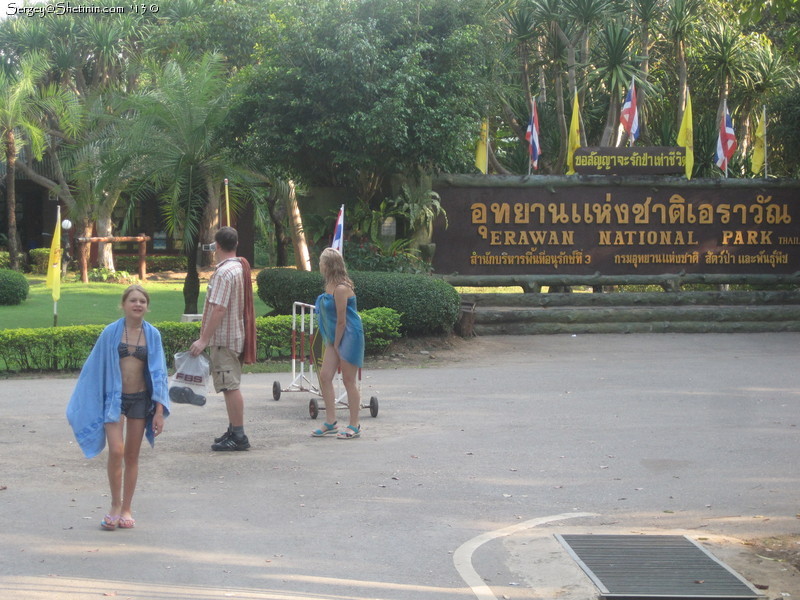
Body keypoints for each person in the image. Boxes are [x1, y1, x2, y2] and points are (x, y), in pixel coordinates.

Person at [67, 284, 170, 530]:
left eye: (142, 301)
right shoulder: (110, 332)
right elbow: (94, 369)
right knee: (116, 450)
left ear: (147, 306)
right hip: (114, 400)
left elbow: (159, 374)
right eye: (133, 300)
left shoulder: (152, 334)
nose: (137, 305)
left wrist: (158, 411)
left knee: (132, 456)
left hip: (140, 400)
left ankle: (126, 508)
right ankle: (114, 505)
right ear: (123, 305)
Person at [190, 226, 256, 451]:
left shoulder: (224, 273)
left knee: (230, 386)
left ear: (217, 246)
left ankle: (239, 435)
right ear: (236, 244)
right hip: (235, 333)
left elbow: (219, 308)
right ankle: (233, 428)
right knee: (229, 385)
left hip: (225, 338)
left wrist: (203, 339)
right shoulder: (239, 268)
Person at [312, 247, 365, 439]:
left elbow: (342, 320)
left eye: (321, 262)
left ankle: (354, 425)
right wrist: (332, 341)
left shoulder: (342, 288)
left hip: (349, 335)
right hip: (334, 336)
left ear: (328, 265)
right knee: (325, 376)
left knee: (348, 380)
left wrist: (336, 343)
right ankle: (331, 421)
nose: (319, 265)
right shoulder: (329, 286)